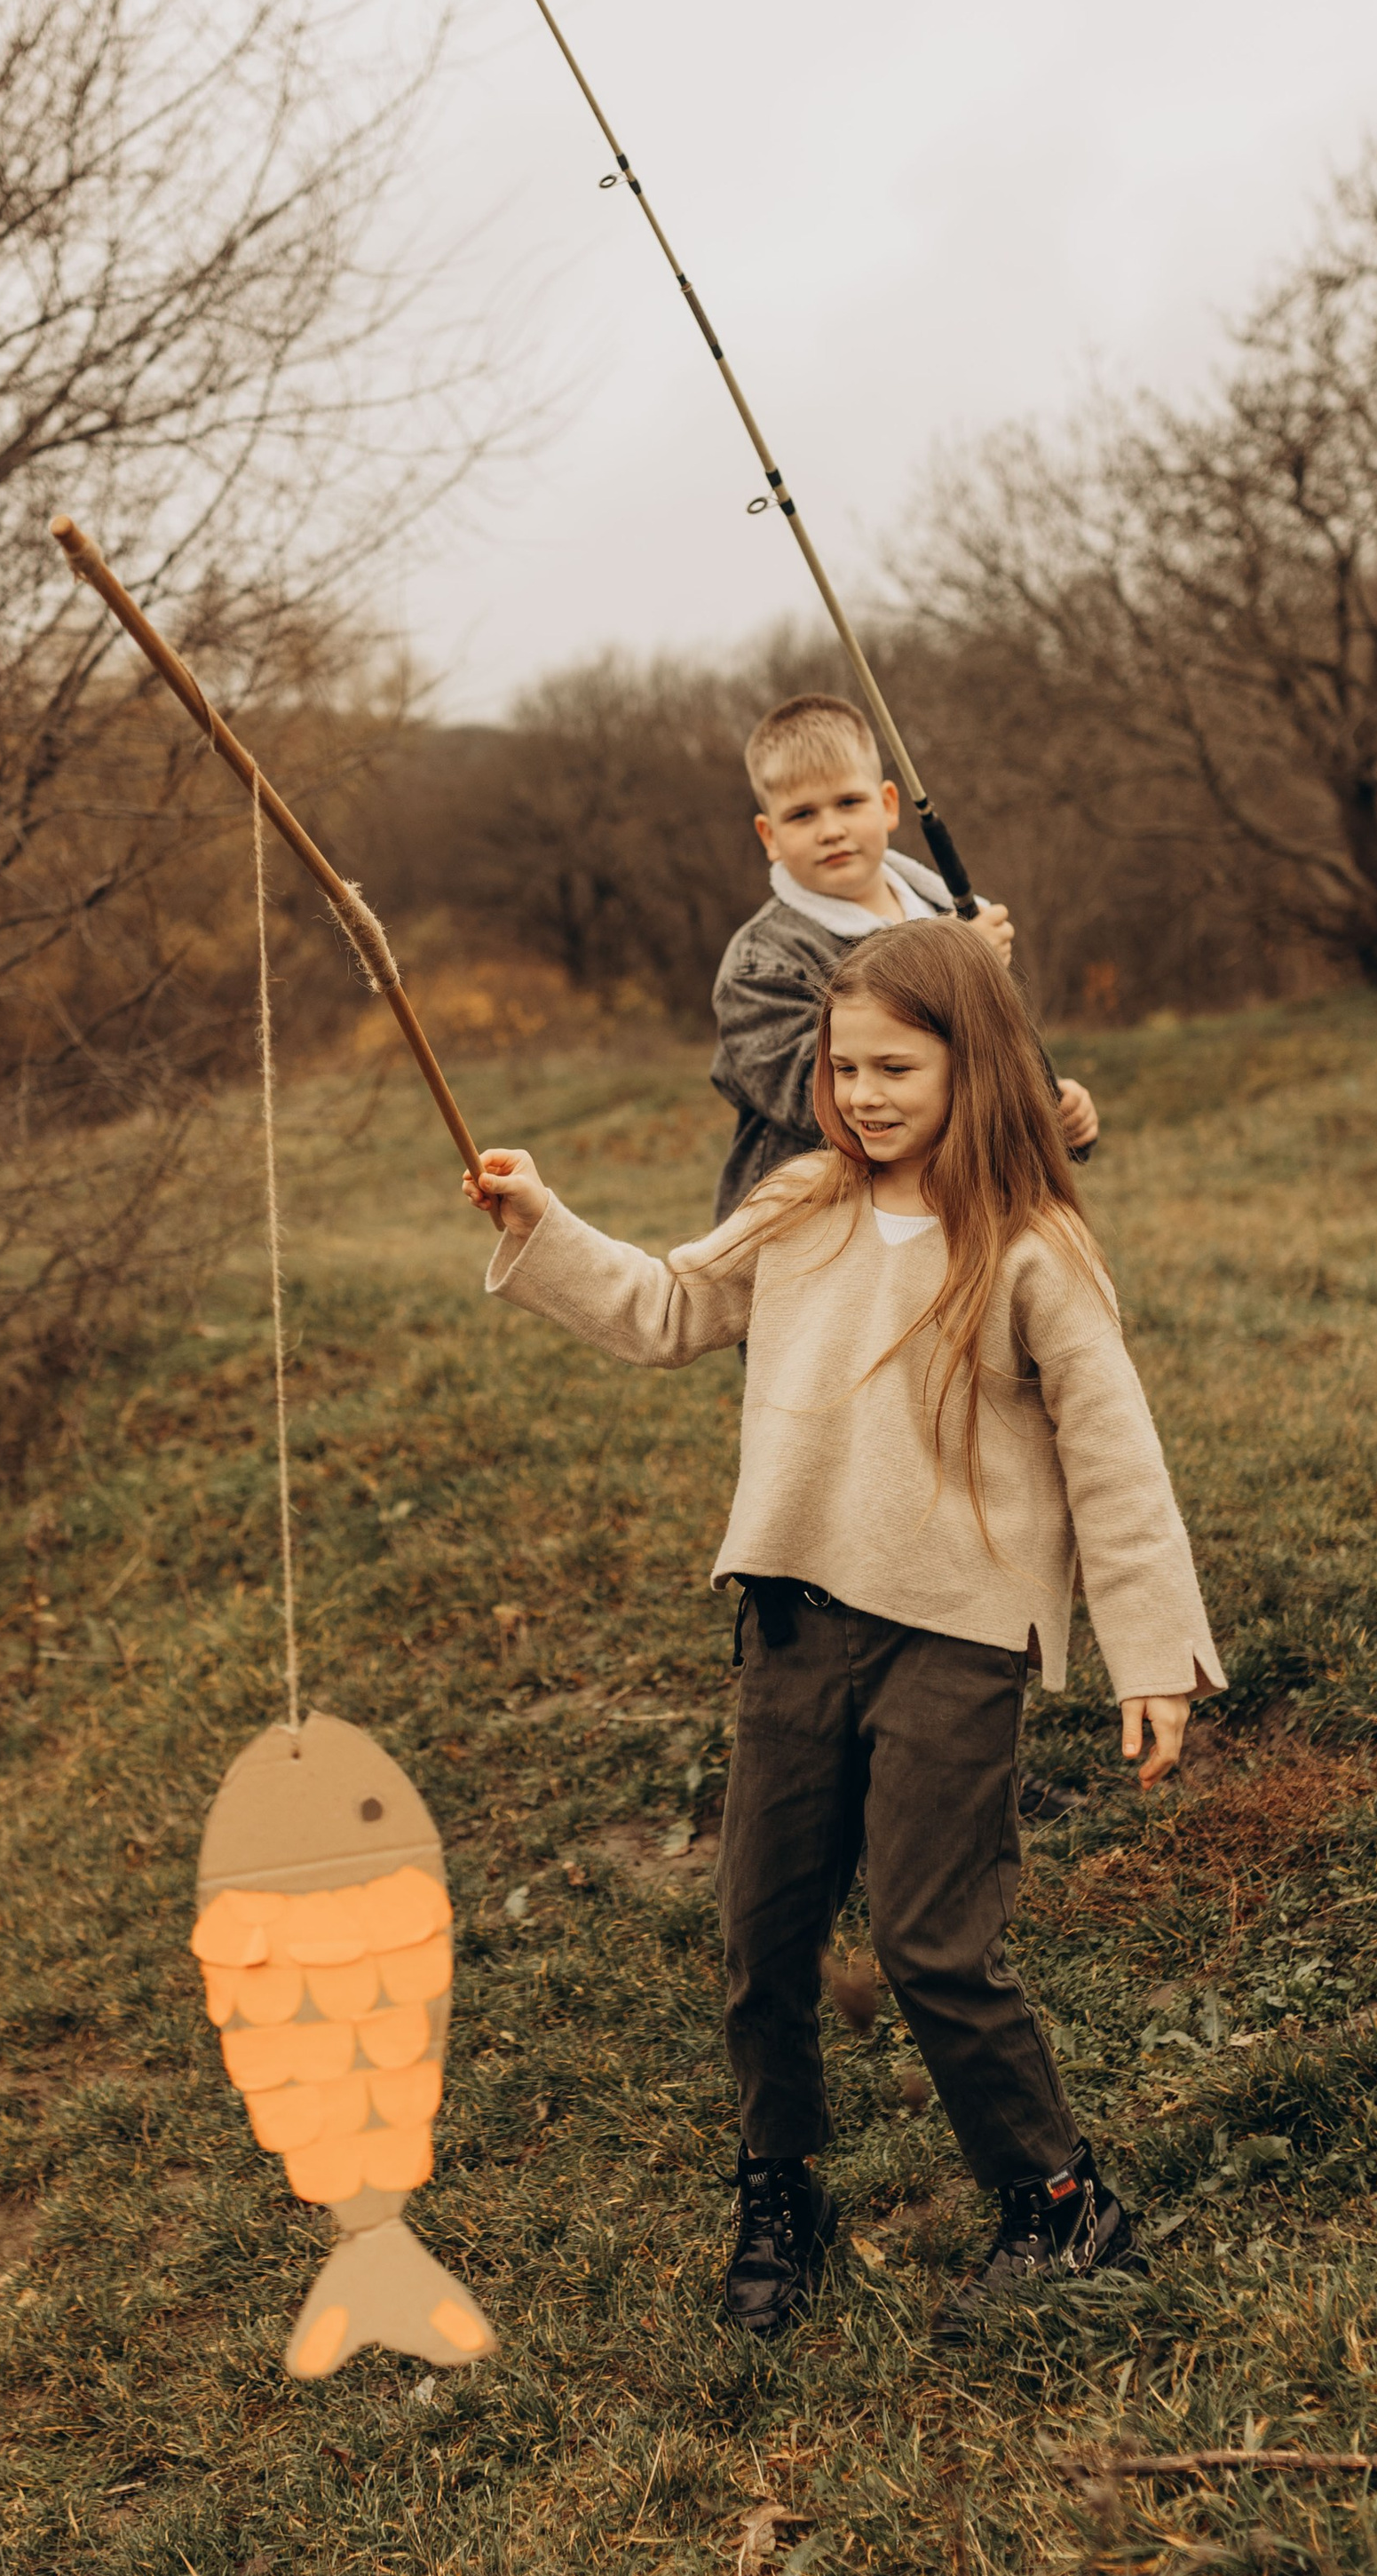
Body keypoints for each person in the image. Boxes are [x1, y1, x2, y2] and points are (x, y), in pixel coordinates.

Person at [463, 921, 1221, 2343]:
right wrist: (542, 1225)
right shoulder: (802, 1200)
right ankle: (782, 2193)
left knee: (935, 1946)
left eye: (896, 1067)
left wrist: (1154, 1652)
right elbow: (670, 1306)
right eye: (843, 1065)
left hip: (952, 1640)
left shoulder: (1031, 1247)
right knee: (764, 1936)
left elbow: (1114, 1459)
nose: (863, 1094)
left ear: (971, 1062)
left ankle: (1061, 2208)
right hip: (793, 1628)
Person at [713, 691, 1099, 1225]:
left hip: (953, 1209)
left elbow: (998, 1050)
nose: (831, 829)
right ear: (769, 836)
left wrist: (1051, 1105)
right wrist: (950, 966)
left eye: (849, 803)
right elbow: (822, 1097)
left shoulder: (954, 911)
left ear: (889, 804)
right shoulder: (761, 964)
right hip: (813, 1229)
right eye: (802, 815)